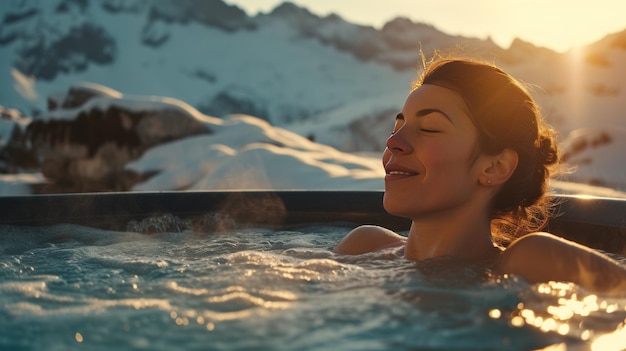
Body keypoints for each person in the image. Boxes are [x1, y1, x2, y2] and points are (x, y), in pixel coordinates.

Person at [334, 55, 626, 292]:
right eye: (397, 128)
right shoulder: (364, 247)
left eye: (429, 128)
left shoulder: (532, 262)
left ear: (494, 167)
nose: (392, 142)